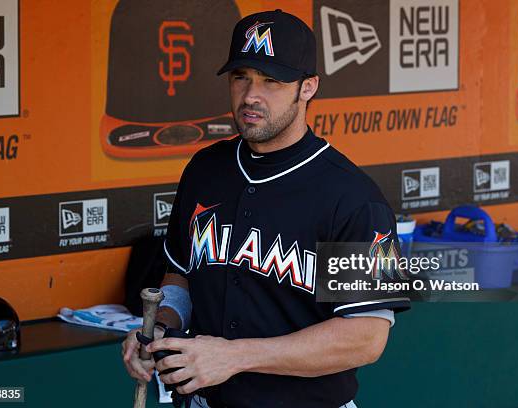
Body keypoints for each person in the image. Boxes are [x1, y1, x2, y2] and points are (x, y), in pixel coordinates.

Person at [122, 9, 410, 408]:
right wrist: (161, 327)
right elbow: (181, 277)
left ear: (308, 87)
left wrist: (236, 356)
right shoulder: (205, 170)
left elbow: (367, 336)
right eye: (242, 77)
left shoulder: (354, 197)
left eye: (271, 81)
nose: (251, 95)